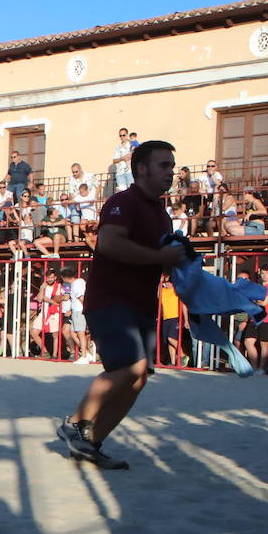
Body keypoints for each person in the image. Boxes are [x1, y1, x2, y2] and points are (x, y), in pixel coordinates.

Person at [59, 140, 184, 469]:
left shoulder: (162, 215)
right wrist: (160, 257)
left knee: (139, 379)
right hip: (110, 300)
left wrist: (179, 265)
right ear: (142, 168)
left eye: (172, 166)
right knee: (130, 368)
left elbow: (161, 263)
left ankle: (90, 443)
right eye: (164, 165)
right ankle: (74, 424)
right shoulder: (123, 201)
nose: (171, 172)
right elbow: (110, 244)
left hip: (142, 305)